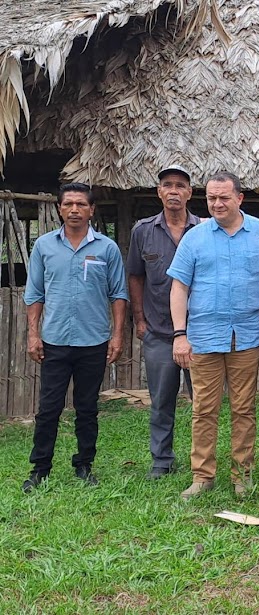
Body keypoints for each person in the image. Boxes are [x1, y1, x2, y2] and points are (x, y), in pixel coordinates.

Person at [167, 171, 259, 500]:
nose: (217, 203)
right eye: (212, 198)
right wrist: (180, 334)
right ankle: (203, 477)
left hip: (246, 335)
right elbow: (179, 287)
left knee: (244, 409)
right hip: (203, 336)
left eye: (224, 197)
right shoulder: (195, 237)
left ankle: (242, 474)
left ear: (239, 198)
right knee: (204, 409)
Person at [22, 182, 128, 492]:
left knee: (87, 407)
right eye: (68, 204)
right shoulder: (44, 246)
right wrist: (33, 335)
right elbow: (34, 293)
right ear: (59, 208)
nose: (74, 209)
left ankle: (84, 464)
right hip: (54, 341)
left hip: (93, 342)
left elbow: (118, 294)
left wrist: (117, 336)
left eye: (81, 204)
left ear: (91, 210)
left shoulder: (106, 249)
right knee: (49, 408)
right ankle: (40, 467)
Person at [127, 165, 199, 479]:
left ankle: (202, 460)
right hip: (157, 331)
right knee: (161, 401)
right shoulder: (142, 231)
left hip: (198, 332)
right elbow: (135, 276)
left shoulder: (204, 229)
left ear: (189, 193)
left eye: (180, 185)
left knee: (203, 402)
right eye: (167, 185)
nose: (173, 191)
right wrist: (139, 319)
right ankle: (162, 460)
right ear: (159, 192)